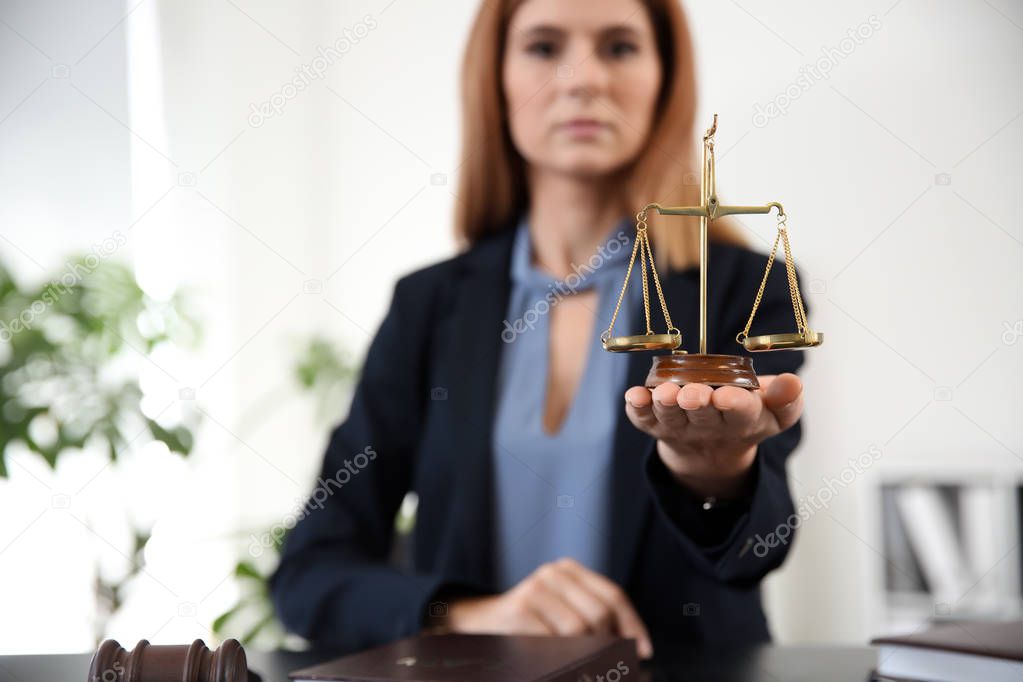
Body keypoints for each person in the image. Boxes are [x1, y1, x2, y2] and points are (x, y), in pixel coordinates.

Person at [271, 0, 809, 659]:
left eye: (618, 47)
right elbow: (309, 572)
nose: (582, 79)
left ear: (665, 81)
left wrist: (716, 470)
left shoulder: (743, 290)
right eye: (543, 47)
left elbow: (759, 548)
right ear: (493, 80)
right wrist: (465, 613)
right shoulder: (428, 306)